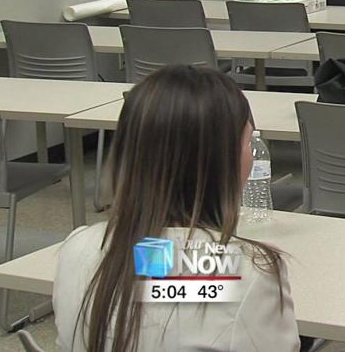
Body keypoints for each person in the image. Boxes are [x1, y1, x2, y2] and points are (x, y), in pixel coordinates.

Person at [53, 65, 300, 351]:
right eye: (248, 141)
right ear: (223, 160)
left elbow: (158, 280)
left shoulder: (76, 248)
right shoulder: (248, 270)